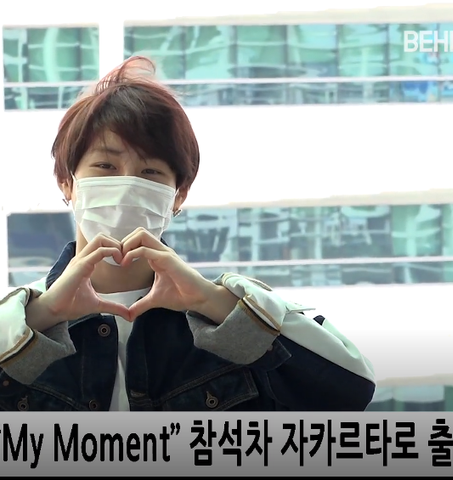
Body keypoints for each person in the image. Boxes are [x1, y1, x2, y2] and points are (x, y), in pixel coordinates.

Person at [0, 56, 375, 412]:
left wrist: (215, 303)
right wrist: (43, 315)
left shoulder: (222, 314)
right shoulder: (19, 320)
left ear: (178, 195)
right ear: (67, 183)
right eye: (105, 166)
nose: (127, 185)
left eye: (150, 172)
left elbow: (350, 391)